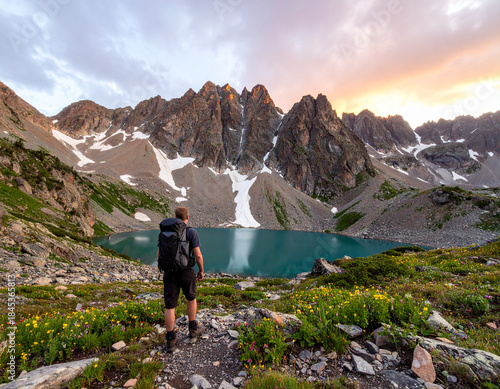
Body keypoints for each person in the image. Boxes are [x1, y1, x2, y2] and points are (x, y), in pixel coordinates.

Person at [161, 206, 205, 353]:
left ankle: (170, 340)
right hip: (186, 271)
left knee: (170, 306)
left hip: (169, 272)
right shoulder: (191, 232)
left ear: (175, 216)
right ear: (187, 217)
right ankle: (193, 330)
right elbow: (197, 255)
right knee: (191, 298)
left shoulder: (165, 232)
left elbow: (159, 255)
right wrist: (201, 270)